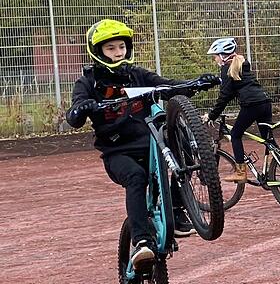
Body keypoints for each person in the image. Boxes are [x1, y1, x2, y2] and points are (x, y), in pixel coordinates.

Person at [66, 19, 218, 272]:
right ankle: (142, 242)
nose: (118, 53)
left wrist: (195, 83)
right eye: (111, 48)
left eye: (121, 47)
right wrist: (83, 107)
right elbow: (74, 117)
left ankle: (179, 209)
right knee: (136, 178)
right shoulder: (88, 83)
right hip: (118, 152)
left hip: (150, 146)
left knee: (180, 149)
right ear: (98, 52)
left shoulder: (137, 74)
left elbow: (167, 86)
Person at [200, 38, 271, 182]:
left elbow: (224, 96)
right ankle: (278, 167)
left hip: (251, 105)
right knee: (268, 139)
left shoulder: (227, 68)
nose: (215, 60)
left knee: (235, 135)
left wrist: (212, 116)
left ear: (222, 56)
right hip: (265, 102)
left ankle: (240, 172)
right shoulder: (242, 63)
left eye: (215, 56)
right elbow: (235, 89)